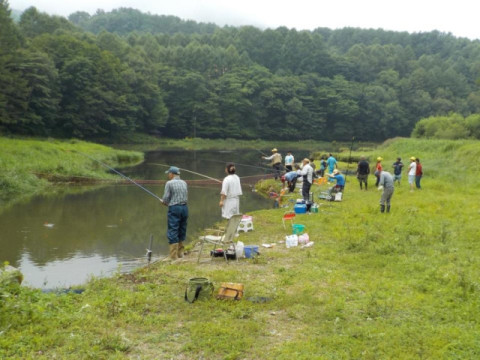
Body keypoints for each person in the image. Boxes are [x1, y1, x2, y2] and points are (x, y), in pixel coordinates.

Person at [161, 166, 188, 261]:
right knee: (182, 228)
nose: (168, 175)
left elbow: (165, 199)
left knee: (173, 229)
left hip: (175, 208)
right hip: (184, 208)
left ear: (172, 174)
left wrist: (163, 202)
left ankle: (173, 256)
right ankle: (180, 253)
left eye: (169, 173)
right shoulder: (184, 183)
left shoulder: (169, 183)